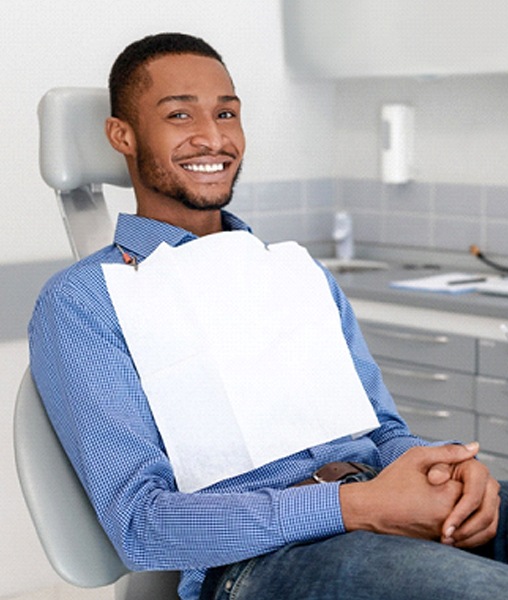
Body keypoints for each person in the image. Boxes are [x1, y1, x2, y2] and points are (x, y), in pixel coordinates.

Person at [29, 33, 508, 600]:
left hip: (378, 502)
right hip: (258, 562)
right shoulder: (85, 301)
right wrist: (357, 507)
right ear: (123, 135)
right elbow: (141, 525)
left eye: (227, 113)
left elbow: (384, 433)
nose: (213, 136)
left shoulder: (296, 274)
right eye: (180, 114)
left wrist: (448, 473)